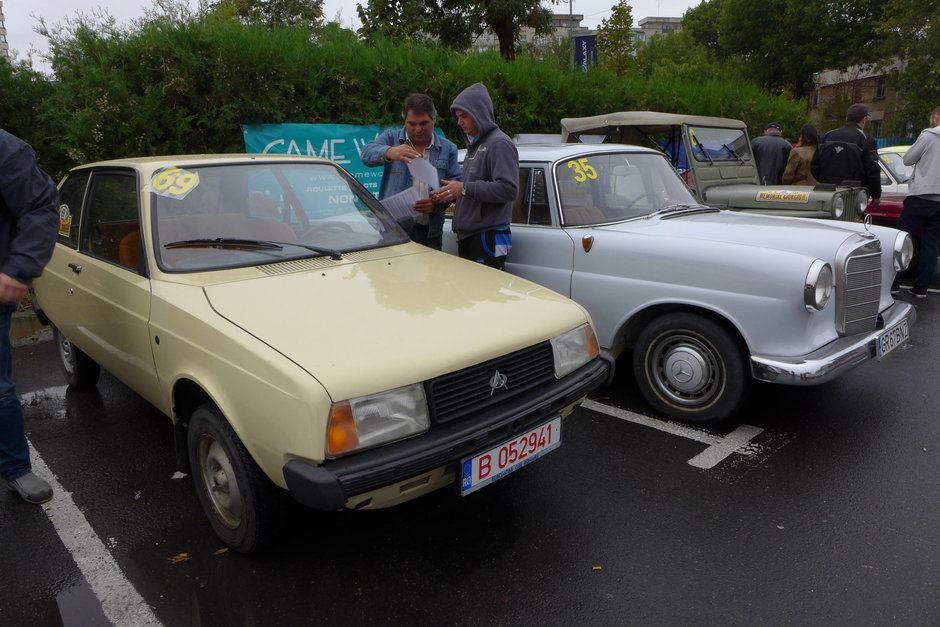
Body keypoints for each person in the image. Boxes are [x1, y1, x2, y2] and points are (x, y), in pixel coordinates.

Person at [0, 129, 60, 504]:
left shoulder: (5, 150)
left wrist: (18, 269)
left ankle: (15, 468)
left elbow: (40, 208)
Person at [432, 83, 518, 269]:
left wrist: (463, 188)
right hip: (472, 235)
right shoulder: (476, 146)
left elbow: (509, 189)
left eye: (464, 116)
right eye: (457, 117)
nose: (459, 122)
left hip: (488, 236)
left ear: (479, 114)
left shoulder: (499, 144)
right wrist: (452, 193)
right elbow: (472, 190)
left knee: (488, 296)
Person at [360, 93, 461, 250]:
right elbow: (366, 154)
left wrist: (436, 205)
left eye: (424, 123)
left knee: (430, 274)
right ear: (404, 121)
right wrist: (389, 152)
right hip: (394, 231)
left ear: (434, 120)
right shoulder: (391, 138)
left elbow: (454, 187)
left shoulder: (448, 148)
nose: (418, 129)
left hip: (430, 233)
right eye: (412, 124)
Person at [892, 106, 940, 299]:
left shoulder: (928, 136)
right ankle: (921, 288)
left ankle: (894, 283)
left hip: (920, 196)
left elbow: (907, 159)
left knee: (901, 240)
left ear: (936, 117)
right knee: (931, 245)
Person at [811, 102, 882, 209]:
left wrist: (825, 180)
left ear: (847, 118)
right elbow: (872, 170)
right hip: (853, 194)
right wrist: (876, 195)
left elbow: (814, 166)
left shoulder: (826, 136)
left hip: (826, 192)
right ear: (864, 119)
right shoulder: (866, 139)